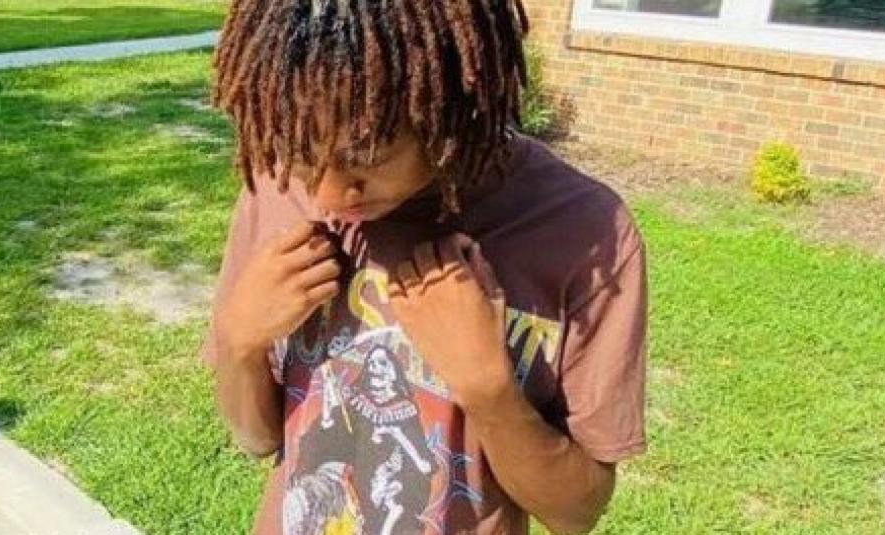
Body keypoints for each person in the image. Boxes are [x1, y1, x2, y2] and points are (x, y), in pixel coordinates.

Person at [200, 1, 648, 533]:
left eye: (365, 159)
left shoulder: (580, 230)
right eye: (299, 157)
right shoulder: (275, 189)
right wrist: (239, 342)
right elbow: (257, 440)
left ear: (450, 105)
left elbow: (575, 512)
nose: (326, 197)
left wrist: (489, 390)